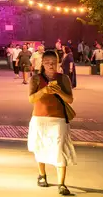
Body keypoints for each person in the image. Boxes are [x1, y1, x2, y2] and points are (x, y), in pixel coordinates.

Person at [27, 49, 76, 195]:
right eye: (47, 63)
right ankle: (42, 175)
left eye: (54, 63)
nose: (51, 65)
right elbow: (31, 99)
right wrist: (44, 91)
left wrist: (58, 91)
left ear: (58, 63)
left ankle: (62, 184)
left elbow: (70, 100)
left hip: (58, 119)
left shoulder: (64, 78)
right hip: (39, 118)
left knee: (59, 149)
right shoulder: (35, 79)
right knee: (40, 146)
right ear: (42, 63)